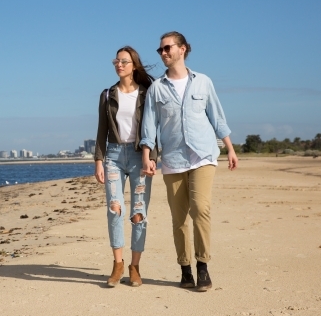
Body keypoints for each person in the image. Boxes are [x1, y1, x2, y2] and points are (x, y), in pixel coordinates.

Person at [140, 31, 238, 292]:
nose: (163, 53)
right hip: (172, 159)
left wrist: (230, 148)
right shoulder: (157, 89)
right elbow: (149, 126)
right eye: (160, 49)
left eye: (167, 48)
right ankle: (185, 269)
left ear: (183, 49)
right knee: (179, 218)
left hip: (203, 156)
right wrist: (148, 156)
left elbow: (217, 116)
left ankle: (203, 267)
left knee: (201, 209)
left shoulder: (203, 82)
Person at [94, 46, 157, 287]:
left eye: (124, 61)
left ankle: (135, 266)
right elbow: (101, 129)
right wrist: (98, 160)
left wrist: (152, 157)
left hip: (140, 155)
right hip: (113, 155)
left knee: (138, 214)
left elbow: (154, 128)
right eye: (116, 61)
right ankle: (118, 264)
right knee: (114, 209)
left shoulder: (146, 93)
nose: (119, 64)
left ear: (134, 65)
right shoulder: (107, 94)